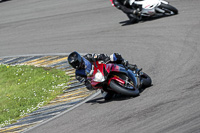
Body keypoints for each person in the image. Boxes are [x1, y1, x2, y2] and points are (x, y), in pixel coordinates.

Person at [68, 51, 137, 100]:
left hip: (102, 68)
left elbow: (99, 56)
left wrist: (105, 58)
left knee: (114, 56)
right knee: (106, 97)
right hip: (98, 79)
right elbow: (86, 84)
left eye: (76, 62)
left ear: (79, 59)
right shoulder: (78, 74)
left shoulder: (87, 57)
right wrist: (91, 85)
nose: (76, 65)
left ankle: (127, 65)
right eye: (74, 64)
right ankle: (117, 89)